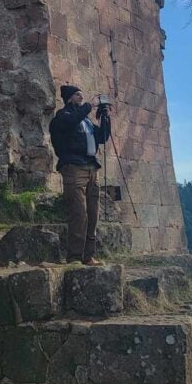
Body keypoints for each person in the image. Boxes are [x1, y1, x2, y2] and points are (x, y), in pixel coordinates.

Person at [49, 84, 111, 265]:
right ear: (69, 98)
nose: (81, 98)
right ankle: (75, 257)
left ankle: (88, 255)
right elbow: (70, 122)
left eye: (82, 95)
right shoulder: (63, 117)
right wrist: (89, 107)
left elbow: (102, 137)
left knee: (93, 214)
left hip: (92, 167)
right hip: (74, 167)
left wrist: (105, 117)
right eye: (78, 95)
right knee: (79, 213)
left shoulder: (86, 121)